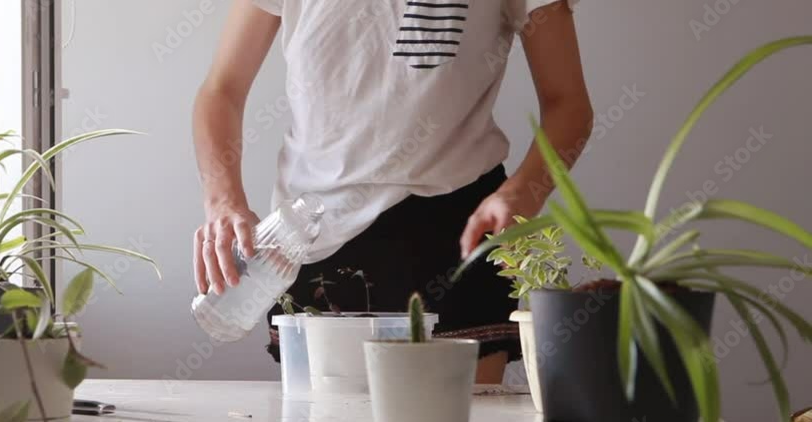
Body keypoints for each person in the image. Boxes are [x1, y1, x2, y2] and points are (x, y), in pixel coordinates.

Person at [193, 0, 592, 382]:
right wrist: (223, 201)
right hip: (310, 235)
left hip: (455, 229)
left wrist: (521, 195)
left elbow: (568, 104)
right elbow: (222, 90)